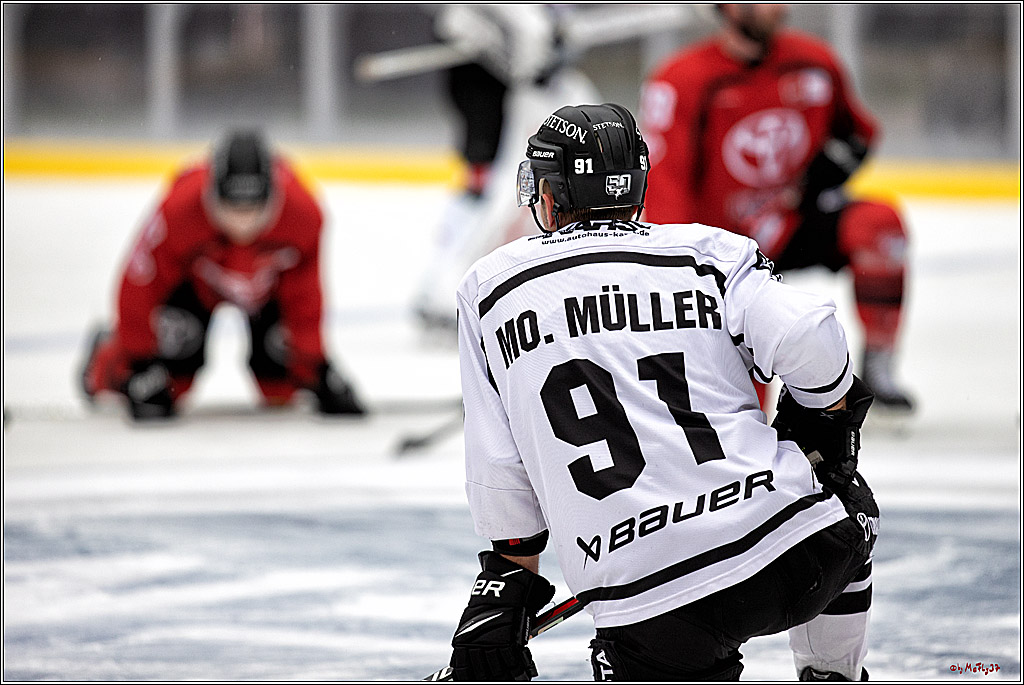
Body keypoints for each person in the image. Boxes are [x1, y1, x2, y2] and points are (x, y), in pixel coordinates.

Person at [447, 103, 878, 681]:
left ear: (548, 194)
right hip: (788, 557)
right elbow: (810, 335)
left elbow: (502, 471)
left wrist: (505, 582)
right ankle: (831, 674)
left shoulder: (490, 289)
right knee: (841, 494)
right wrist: (825, 421)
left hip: (647, 603)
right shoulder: (708, 253)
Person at [640, 3, 914, 411]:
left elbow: (858, 133)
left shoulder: (814, 62)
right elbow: (666, 190)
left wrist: (828, 171)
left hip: (787, 224)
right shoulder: (682, 79)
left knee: (879, 225)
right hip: (720, 249)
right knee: (742, 399)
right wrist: (683, 267)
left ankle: (878, 368)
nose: (782, 8)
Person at [80, 130, 365, 420]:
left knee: (280, 390)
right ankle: (104, 358)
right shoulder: (179, 209)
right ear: (213, 194)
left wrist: (314, 364)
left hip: (268, 291)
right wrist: (139, 360)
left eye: (253, 209)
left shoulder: (304, 214)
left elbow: (305, 292)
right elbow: (141, 281)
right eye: (232, 207)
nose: (243, 223)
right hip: (194, 288)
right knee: (171, 386)